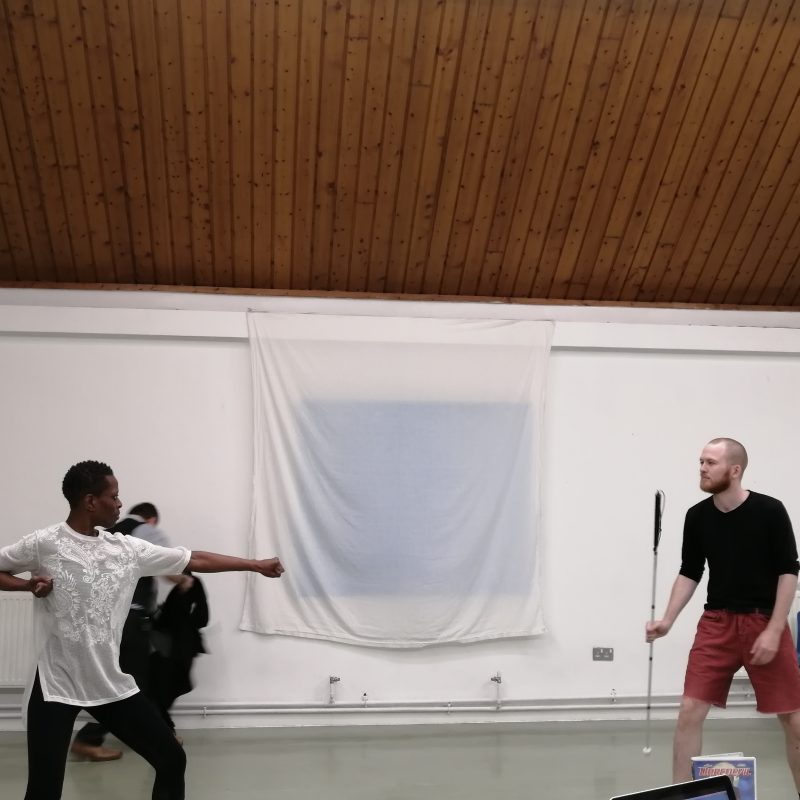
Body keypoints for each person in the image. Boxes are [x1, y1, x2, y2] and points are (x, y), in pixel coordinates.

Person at [0, 460, 284, 800]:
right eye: (114, 496)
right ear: (90, 501)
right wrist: (26, 587)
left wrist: (254, 565)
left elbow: (195, 559)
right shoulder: (44, 543)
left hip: (108, 683)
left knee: (171, 759)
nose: (120, 503)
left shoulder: (127, 550)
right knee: (44, 790)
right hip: (55, 686)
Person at [646, 438, 800, 795]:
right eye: (700, 461)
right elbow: (690, 571)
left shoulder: (770, 511)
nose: (702, 467)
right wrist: (667, 620)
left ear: (735, 470)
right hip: (717, 624)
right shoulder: (697, 516)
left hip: (764, 623)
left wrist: (776, 629)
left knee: (794, 721)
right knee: (689, 711)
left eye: (710, 462)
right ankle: (680, 796)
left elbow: (788, 571)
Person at [70, 502, 193, 762]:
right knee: (132, 682)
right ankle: (88, 739)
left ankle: (162, 734)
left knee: (136, 680)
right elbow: (170, 567)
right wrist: (185, 580)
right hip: (131, 618)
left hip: (105, 618)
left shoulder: (110, 532)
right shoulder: (146, 530)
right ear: (152, 519)